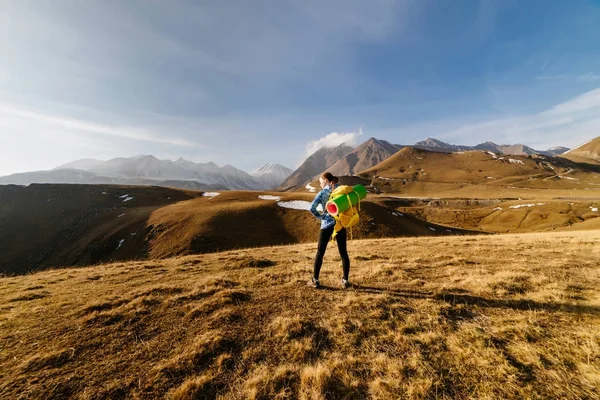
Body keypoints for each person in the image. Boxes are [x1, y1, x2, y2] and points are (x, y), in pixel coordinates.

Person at [308, 172, 351, 289]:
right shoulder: (341, 189)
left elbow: (311, 208)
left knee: (320, 253)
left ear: (326, 181)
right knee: (343, 253)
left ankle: (315, 280)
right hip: (340, 224)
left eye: (321, 182)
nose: (320, 185)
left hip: (326, 225)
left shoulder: (323, 192)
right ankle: (345, 281)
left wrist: (322, 217)